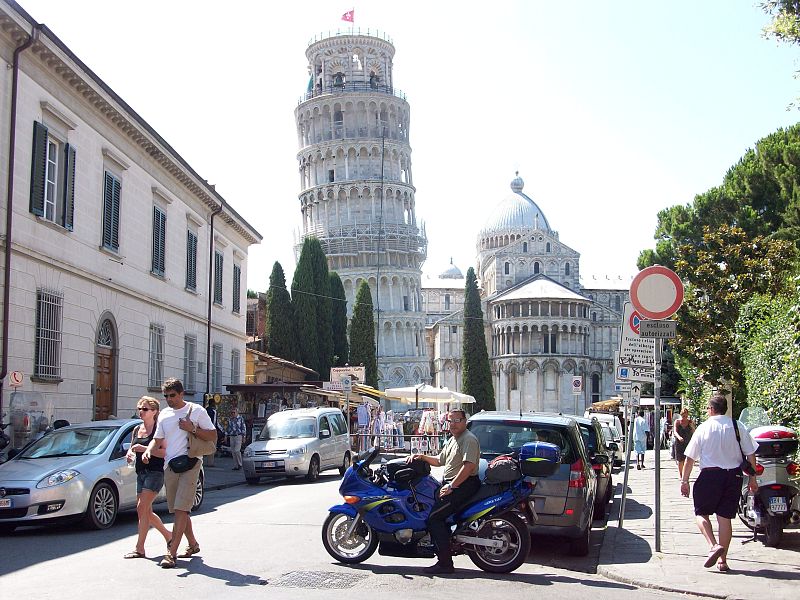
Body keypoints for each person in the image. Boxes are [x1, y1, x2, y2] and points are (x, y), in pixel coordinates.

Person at [143, 378, 216, 569]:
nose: (169, 399)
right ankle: (193, 544)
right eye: (166, 396)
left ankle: (171, 553)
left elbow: (213, 436)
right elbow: (158, 438)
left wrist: (192, 428)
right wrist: (149, 450)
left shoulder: (196, 411)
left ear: (182, 394)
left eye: (173, 395)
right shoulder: (165, 414)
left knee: (182, 508)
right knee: (178, 509)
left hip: (191, 463)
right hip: (170, 466)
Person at [681, 394, 758, 572]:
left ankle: (713, 545)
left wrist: (684, 480)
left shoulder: (704, 427)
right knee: (725, 519)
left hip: (709, 476)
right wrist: (753, 479)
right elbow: (751, 454)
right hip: (734, 477)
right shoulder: (738, 426)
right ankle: (722, 561)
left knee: (701, 514)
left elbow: (690, 458)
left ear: (711, 409)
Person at [407, 408, 481, 575]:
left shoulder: (468, 439)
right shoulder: (453, 439)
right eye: (450, 421)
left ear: (465, 421)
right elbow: (440, 461)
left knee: (434, 518)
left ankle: (445, 564)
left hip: (464, 485)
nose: (453, 424)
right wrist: (421, 457)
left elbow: (468, 467)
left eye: (457, 420)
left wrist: (451, 486)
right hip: (454, 484)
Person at [123, 396, 171, 559]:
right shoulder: (137, 429)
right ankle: (163, 538)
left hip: (155, 472)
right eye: (139, 409)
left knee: (141, 508)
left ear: (155, 412)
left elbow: (165, 452)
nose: (141, 412)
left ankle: (141, 546)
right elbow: (131, 449)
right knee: (145, 511)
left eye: (145, 409)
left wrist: (144, 449)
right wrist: (129, 455)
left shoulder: (159, 429)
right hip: (141, 472)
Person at [672, 408, 695, 480]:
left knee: (687, 459)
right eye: (683, 416)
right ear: (681, 415)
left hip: (688, 442)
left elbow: (694, 431)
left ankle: (686, 474)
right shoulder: (677, 422)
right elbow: (675, 431)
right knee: (680, 459)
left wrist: (692, 426)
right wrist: (679, 437)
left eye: (686, 416)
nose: (684, 417)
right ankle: (681, 475)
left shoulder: (690, 422)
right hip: (679, 442)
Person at [226, 405, 246, 471]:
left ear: (237, 412)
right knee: (233, 452)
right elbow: (228, 428)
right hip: (232, 436)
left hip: (238, 436)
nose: (233, 414)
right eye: (232, 413)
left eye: (234, 412)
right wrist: (226, 436)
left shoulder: (240, 419)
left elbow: (243, 428)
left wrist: (244, 437)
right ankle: (236, 465)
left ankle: (240, 464)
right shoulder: (230, 419)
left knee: (237, 450)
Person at [204, 399, 217, 467]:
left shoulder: (210, 410)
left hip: (212, 429)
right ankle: (210, 462)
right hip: (210, 429)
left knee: (212, 446)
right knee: (212, 446)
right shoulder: (208, 410)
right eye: (214, 403)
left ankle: (210, 462)